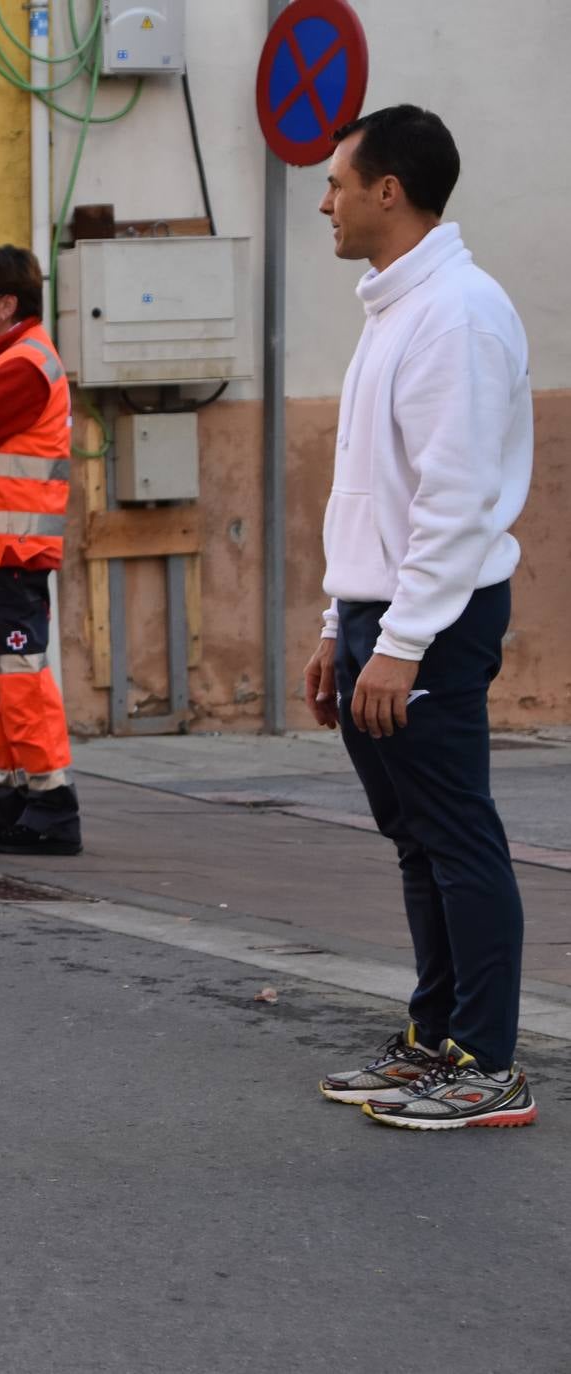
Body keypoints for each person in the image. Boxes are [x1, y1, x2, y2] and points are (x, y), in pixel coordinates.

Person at [305, 106, 537, 1130]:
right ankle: (436, 1040)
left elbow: (457, 498)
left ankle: (488, 1063)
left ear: (387, 191)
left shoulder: (460, 312)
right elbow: (373, 493)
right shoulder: (395, 310)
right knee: (416, 840)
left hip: (430, 624)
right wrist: (336, 623)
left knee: (456, 835)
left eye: (337, 183)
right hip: (378, 614)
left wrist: (399, 643)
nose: (326, 202)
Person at [0, 228, 82, 856]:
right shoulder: (6, 358)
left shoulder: (25, 365)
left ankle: (53, 802)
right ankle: (15, 790)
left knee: (20, 679)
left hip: (14, 553)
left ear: (6, 304)